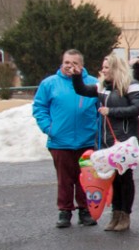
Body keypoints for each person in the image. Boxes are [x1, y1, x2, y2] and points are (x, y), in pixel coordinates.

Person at [70, 53, 139, 232]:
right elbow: (81, 90)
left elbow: (137, 108)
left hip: (125, 141)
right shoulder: (102, 86)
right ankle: (115, 214)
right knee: (112, 179)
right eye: (103, 67)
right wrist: (76, 76)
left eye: (106, 68)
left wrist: (111, 111)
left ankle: (125, 214)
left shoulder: (131, 85)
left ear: (116, 68)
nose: (103, 71)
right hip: (107, 141)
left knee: (125, 179)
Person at [31, 49, 102, 228]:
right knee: (64, 179)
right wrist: (49, 128)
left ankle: (85, 210)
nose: (70, 66)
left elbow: (102, 109)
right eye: (67, 63)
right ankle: (65, 210)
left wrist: (97, 132)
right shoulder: (49, 84)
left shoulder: (93, 84)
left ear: (82, 65)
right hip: (60, 141)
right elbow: (39, 107)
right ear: (62, 63)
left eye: (74, 63)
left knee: (85, 177)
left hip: (87, 141)